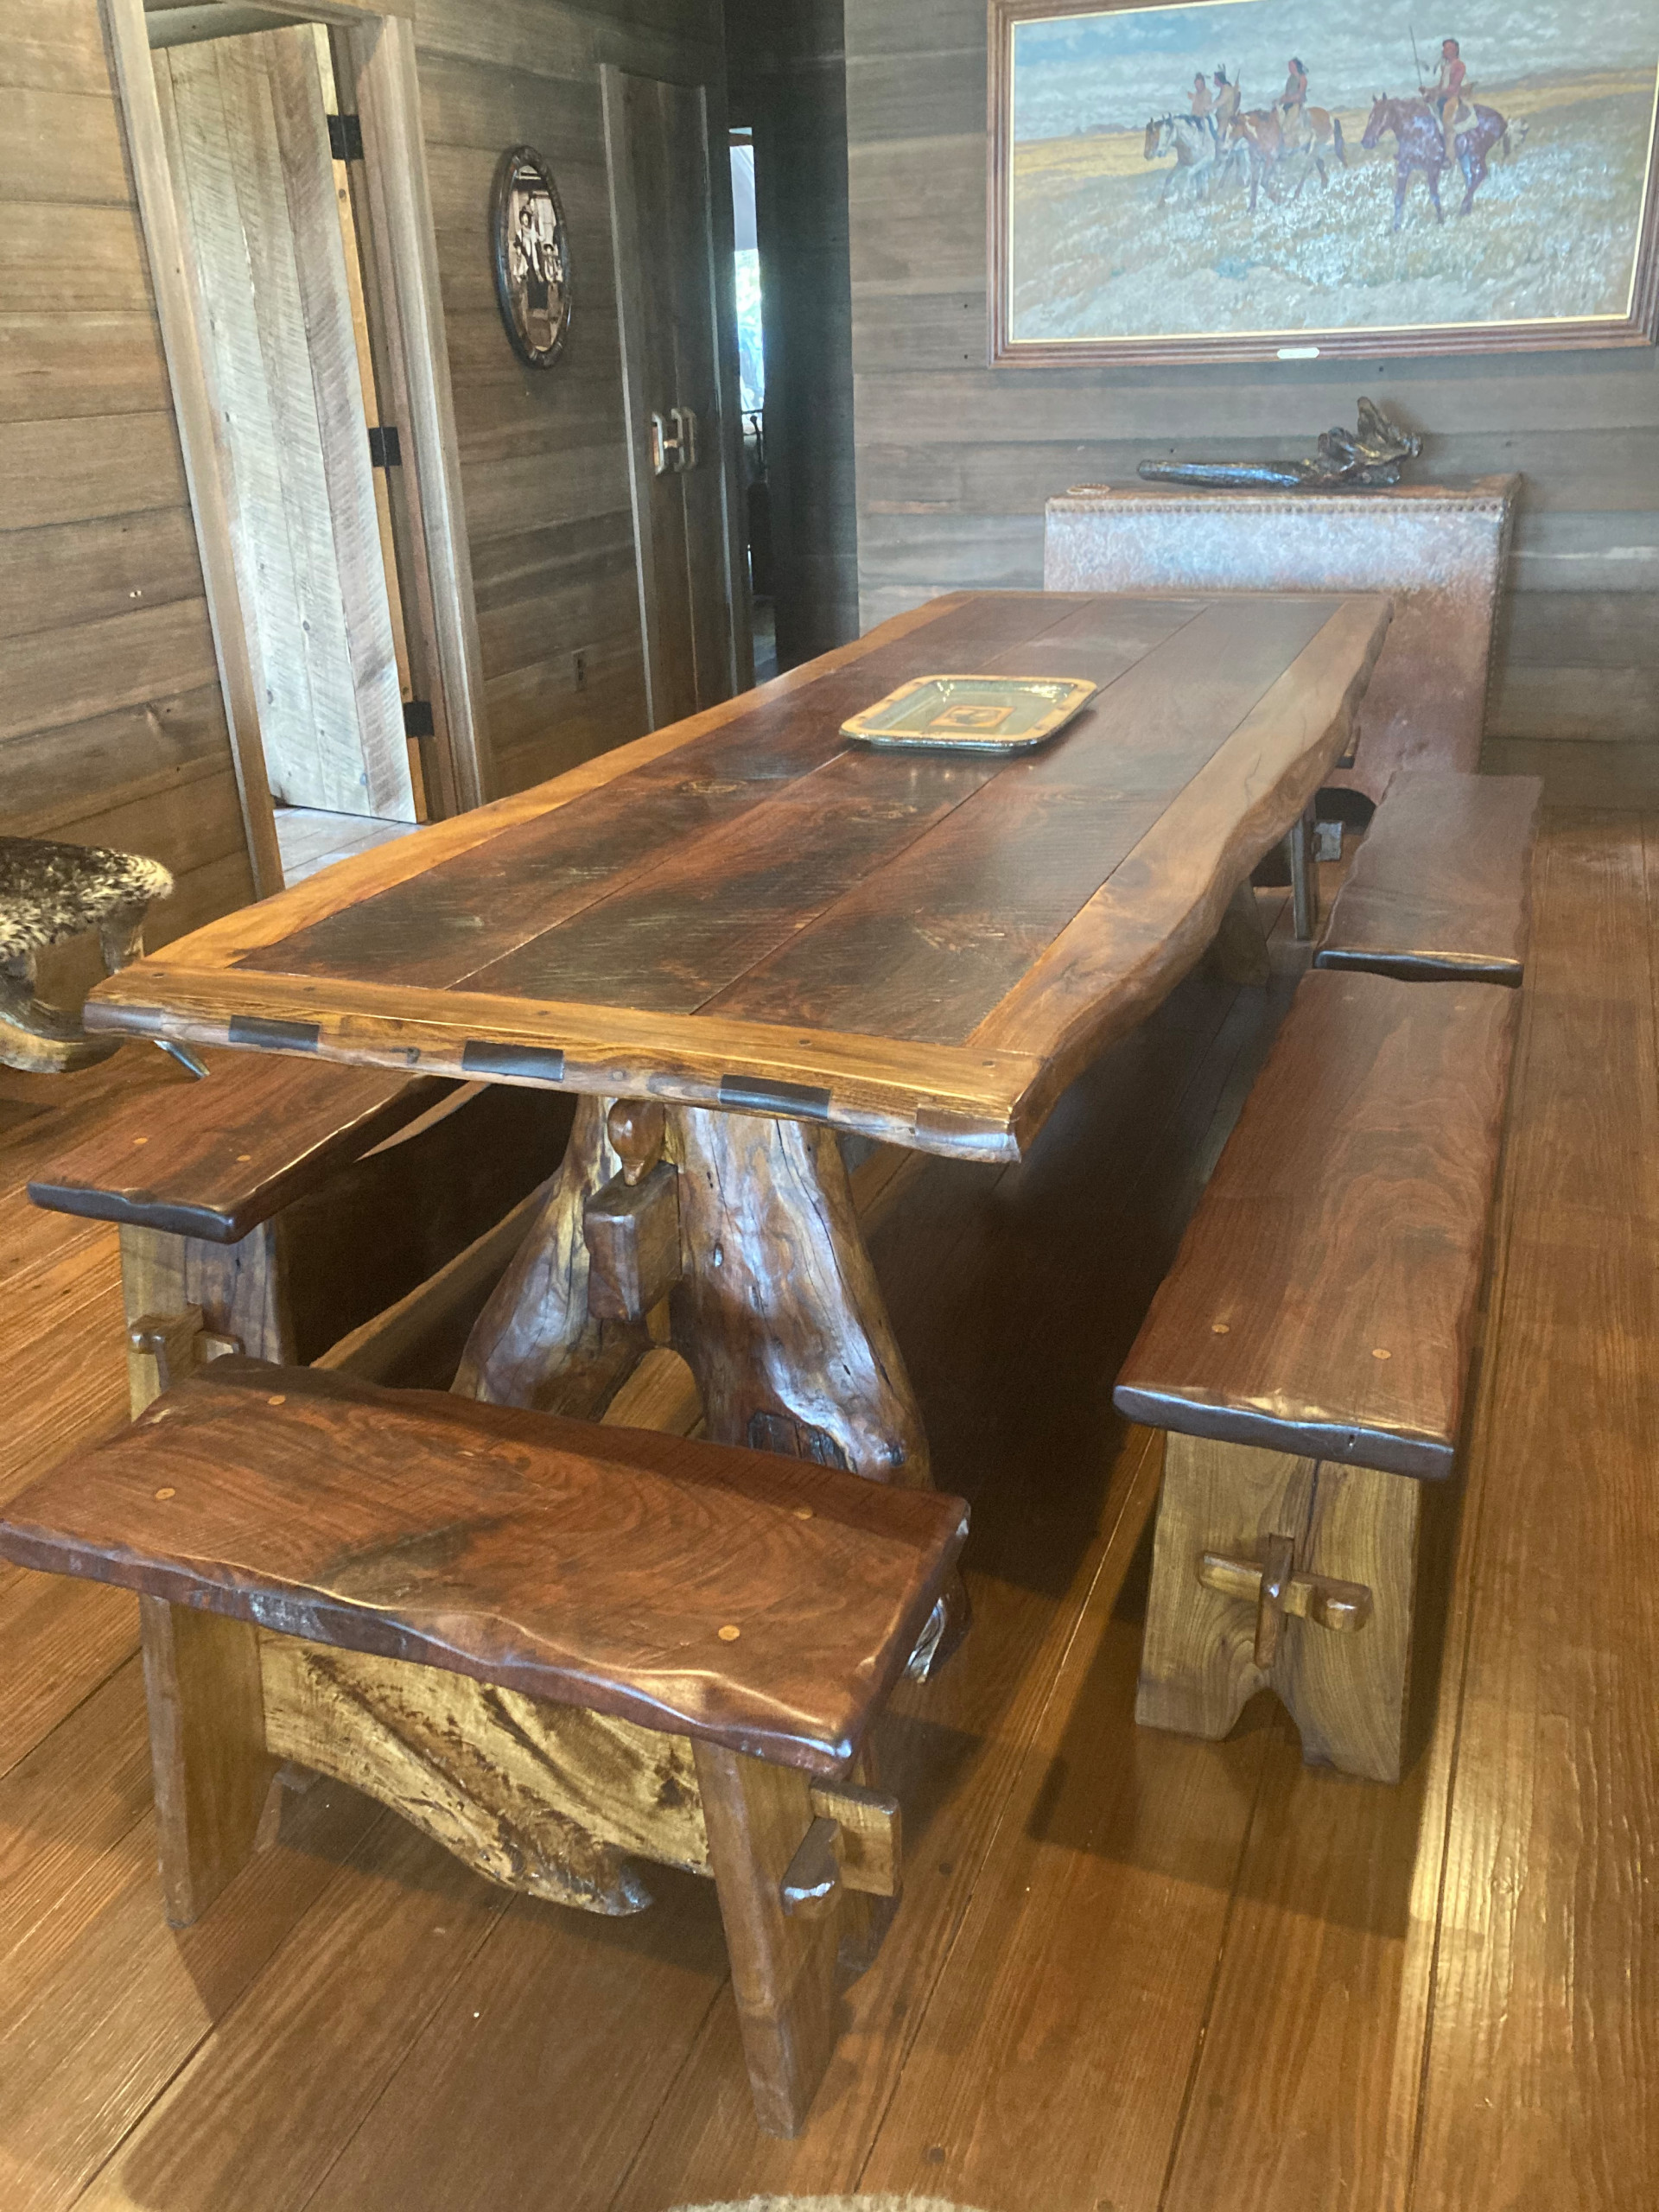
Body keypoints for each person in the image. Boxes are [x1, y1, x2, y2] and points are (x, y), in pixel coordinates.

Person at [1422, 37, 1468, 164]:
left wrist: (1437, 93)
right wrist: (1428, 90)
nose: (1445, 51)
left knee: (1447, 123)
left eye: (1448, 48)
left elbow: (1453, 88)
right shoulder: (1445, 67)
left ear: (1455, 50)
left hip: (1454, 99)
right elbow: (1440, 86)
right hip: (1444, 97)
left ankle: (1450, 156)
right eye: (1444, 48)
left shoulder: (1459, 65)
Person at [1280, 56, 1309, 149]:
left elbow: (1300, 95)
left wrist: (1288, 99)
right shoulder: (1290, 78)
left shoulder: (1302, 78)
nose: (1289, 68)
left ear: (1296, 66)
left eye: (1291, 66)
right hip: (1287, 105)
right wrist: (1281, 99)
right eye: (1289, 66)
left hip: (1296, 105)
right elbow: (1287, 93)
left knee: (1287, 126)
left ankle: (1291, 146)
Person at [1211, 66, 1241, 139]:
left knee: (1218, 136)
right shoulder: (1223, 89)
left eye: (1215, 79)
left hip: (1225, 119)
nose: (1214, 81)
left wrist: (1208, 107)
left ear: (1219, 80)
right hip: (1219, 117)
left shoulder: (1227, 90)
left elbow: (1219, 102)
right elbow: (1216, 101)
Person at [1190, 70, 1215, 139]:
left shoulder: (1207, 93)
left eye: (1199, 85)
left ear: (1203, 84)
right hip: (1195, 117)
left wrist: (1197, 115)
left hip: (1205, 118)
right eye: (1196, 85)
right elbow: (1193, 109)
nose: (1197, 87)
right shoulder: (1196, 94)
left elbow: (1204, 109)